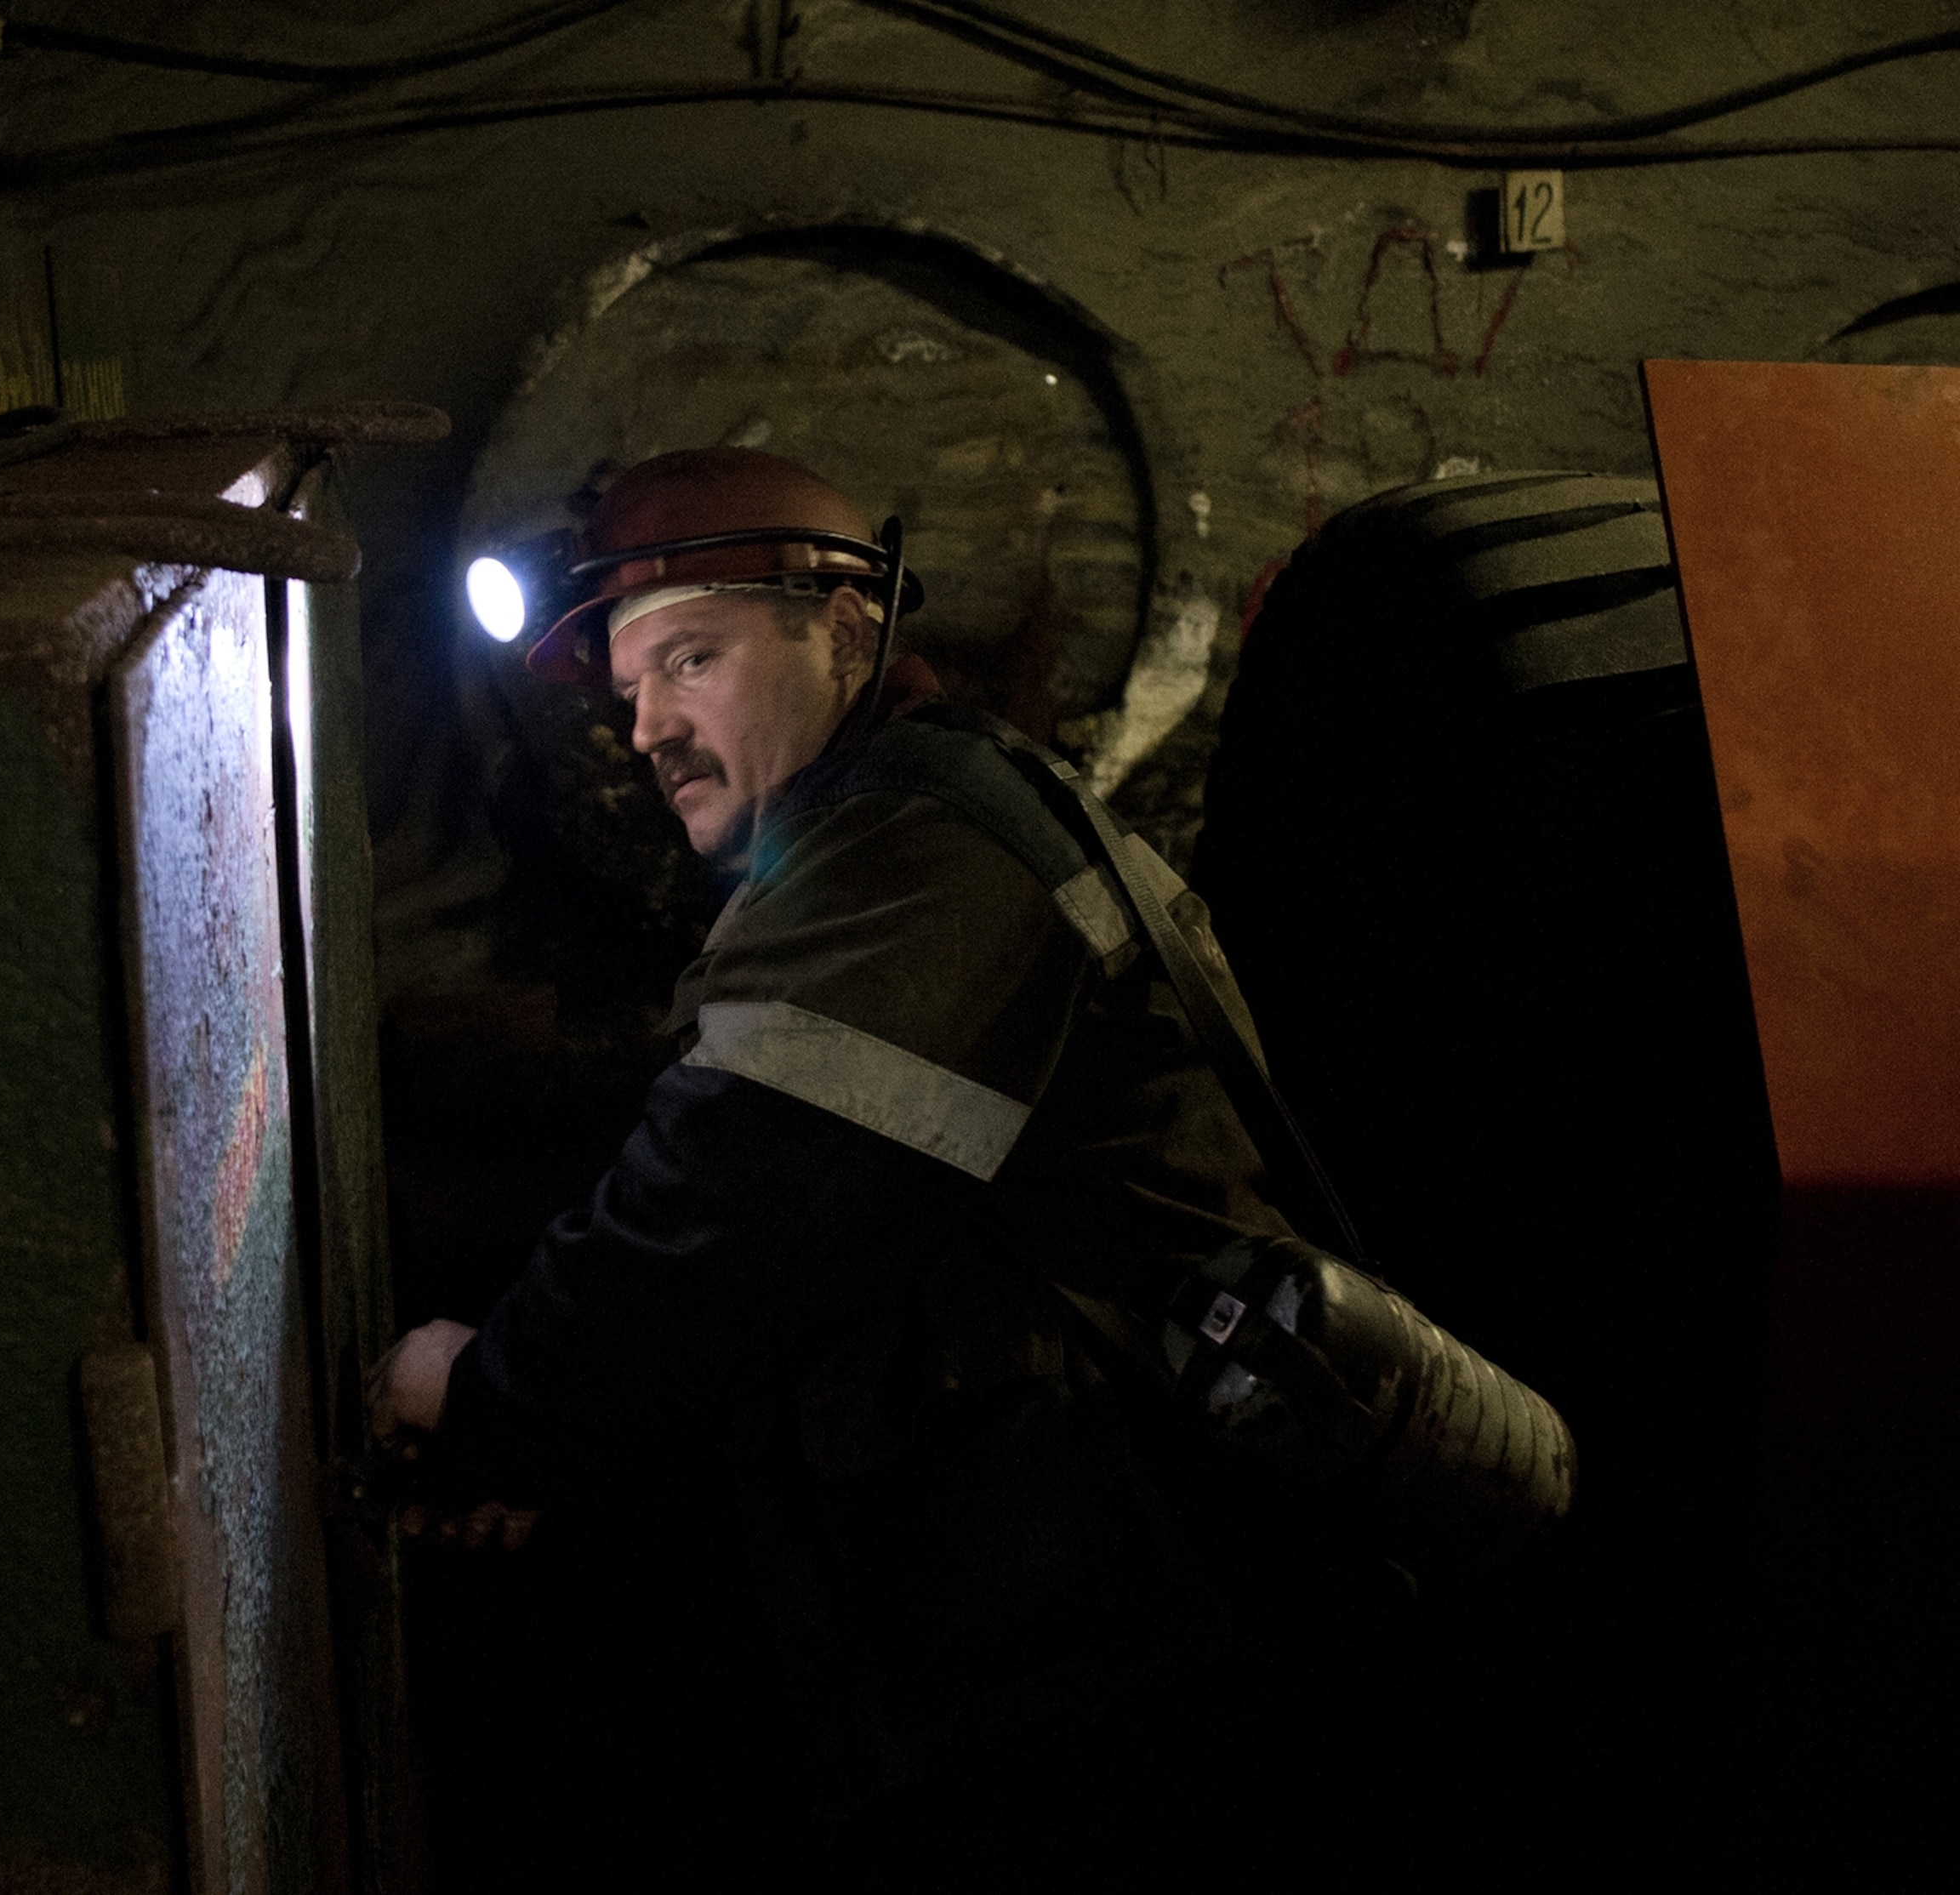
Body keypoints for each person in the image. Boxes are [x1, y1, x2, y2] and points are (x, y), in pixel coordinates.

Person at [368, 448, 1534, 1886]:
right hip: (1075, 1604)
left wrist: (490, 1397)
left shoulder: (920, 849)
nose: (651, 725)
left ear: (846, 624)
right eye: (631, 693)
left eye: (692, 658)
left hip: (1128, 1623)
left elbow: (735, 1203)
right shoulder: (898, 824)